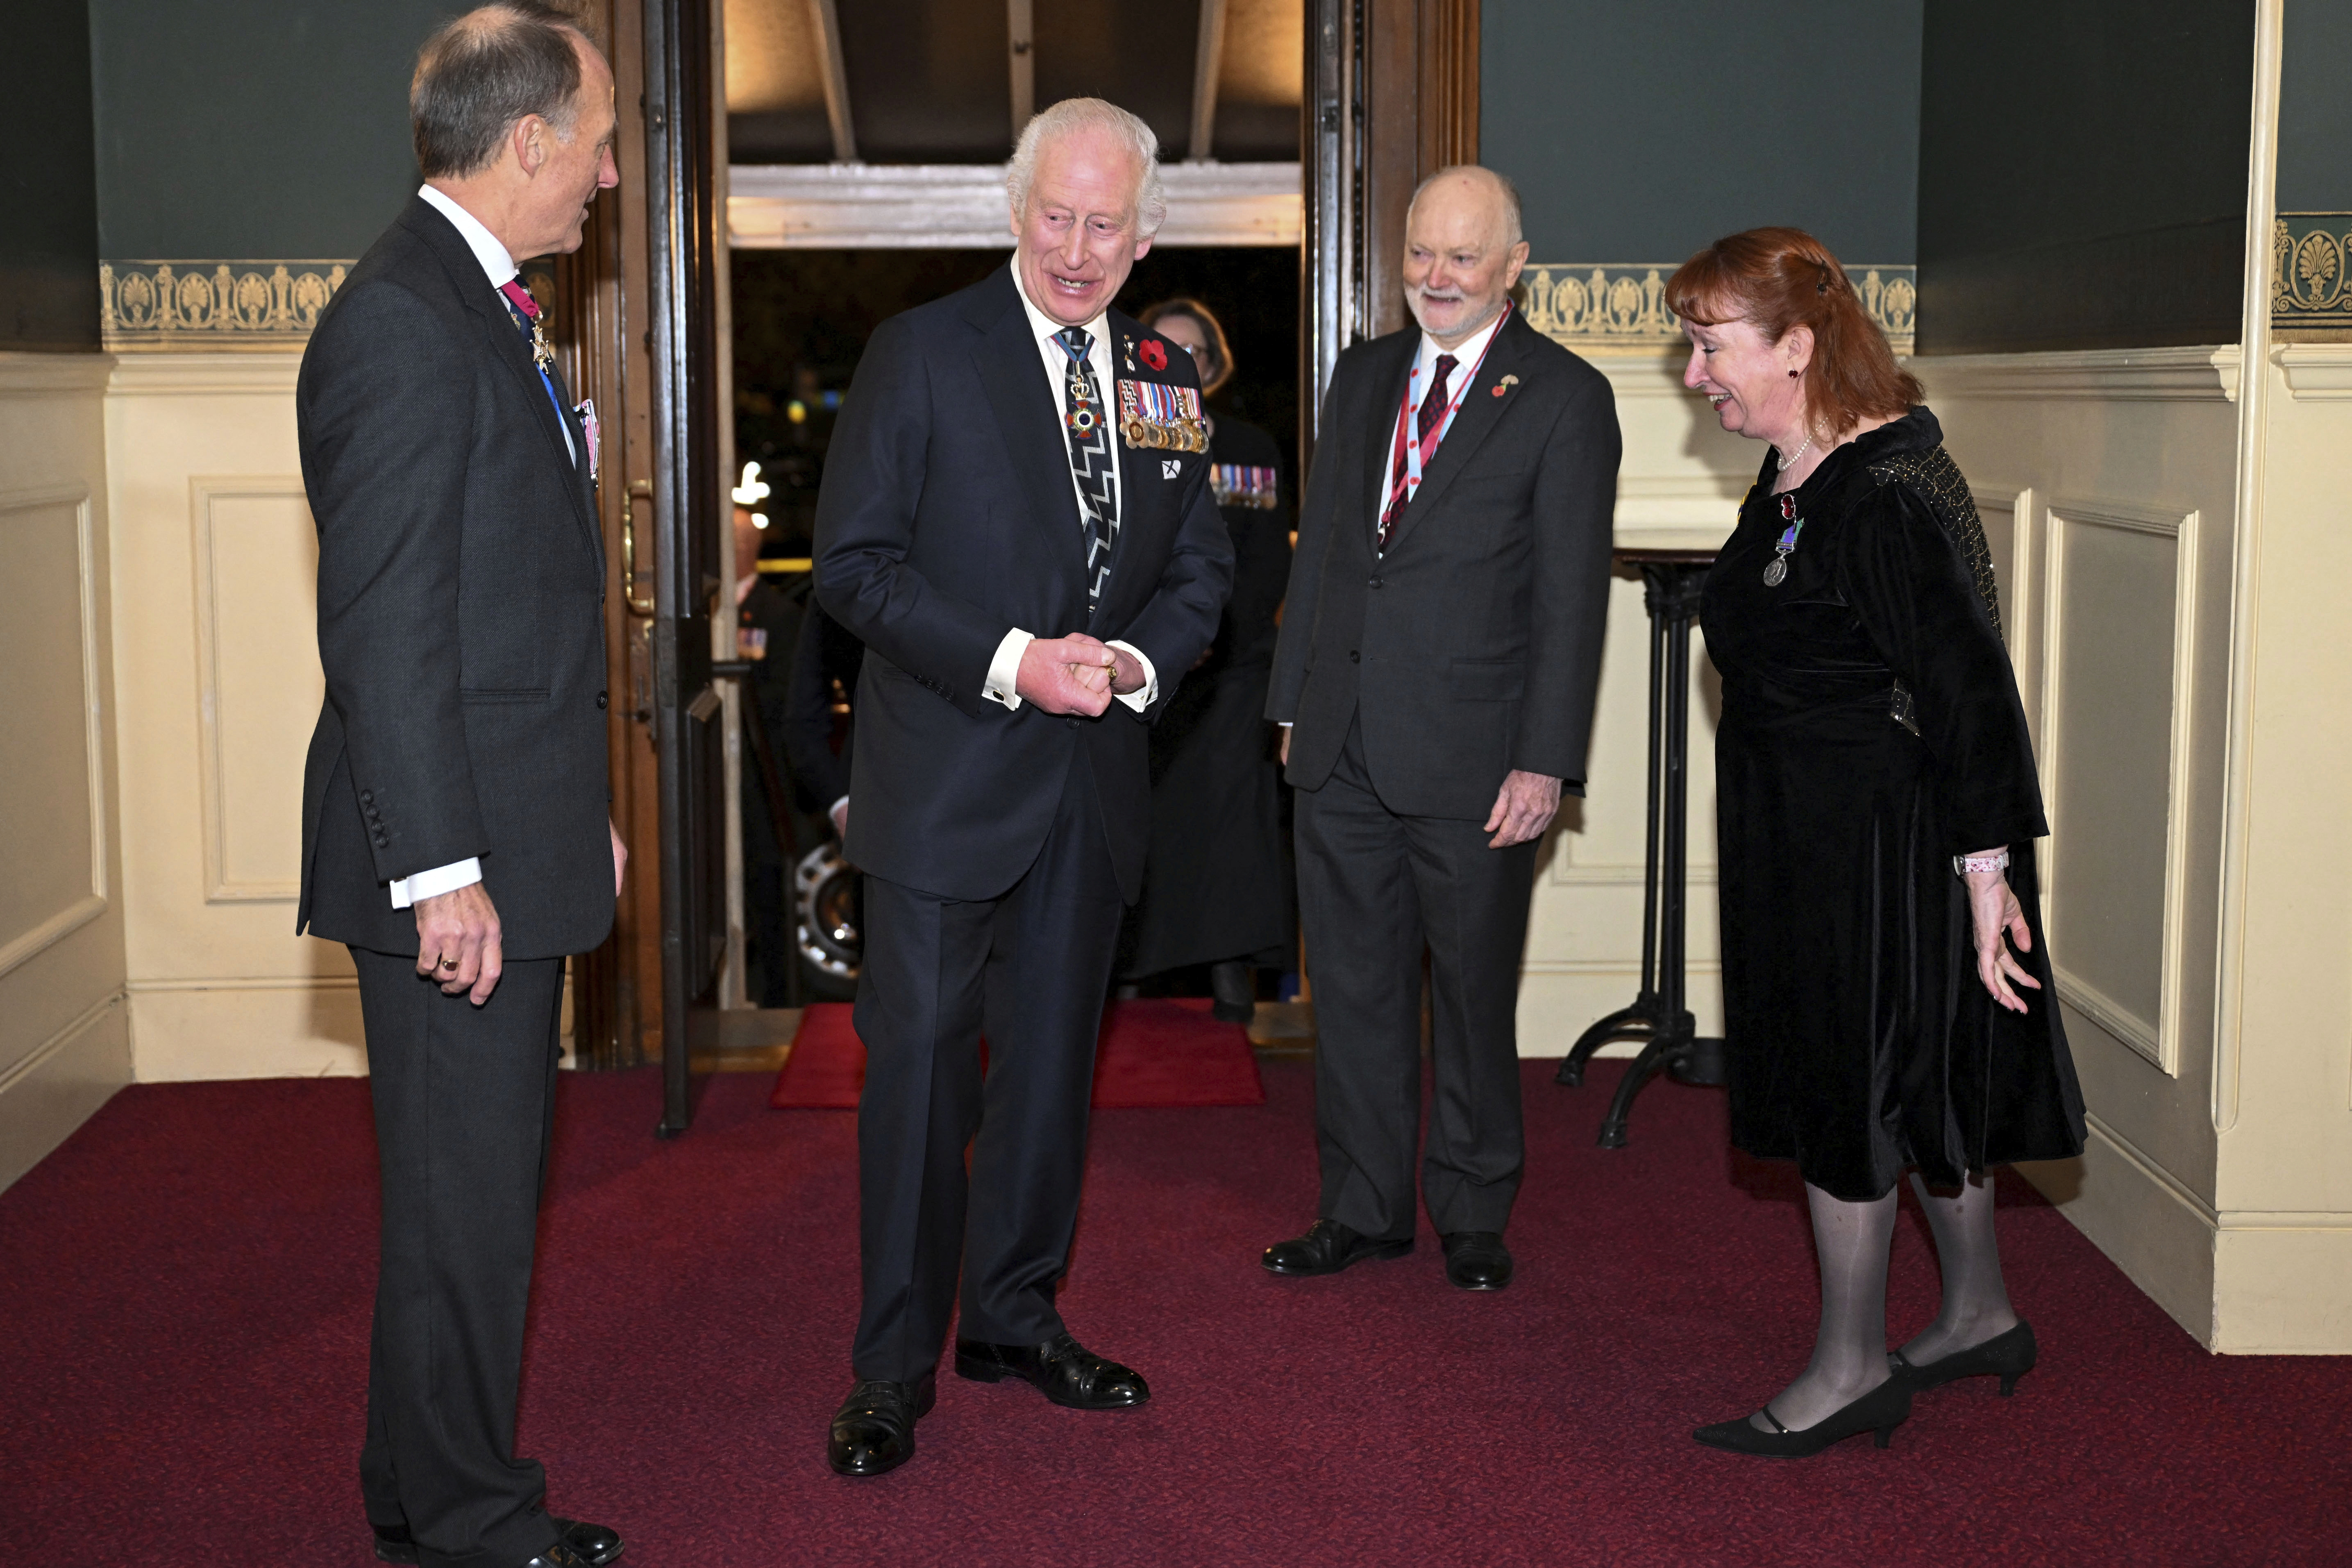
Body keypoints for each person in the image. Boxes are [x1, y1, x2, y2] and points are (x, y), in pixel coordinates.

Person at [810, 96, 1232, 1477]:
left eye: (1106, 224)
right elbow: (857, 569)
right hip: (943, 784)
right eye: (1056, 215)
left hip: (1094, 792)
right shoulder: (922, 354)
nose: (1077, 247)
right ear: (1013, 210)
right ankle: (889, 1368)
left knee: (1052, 1080)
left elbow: (1200, 574)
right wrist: (1012, 661)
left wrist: (1125, 659)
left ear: (1145, 232)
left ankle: (1010, 1315)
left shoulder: (1168, 376)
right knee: (922, 1087)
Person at [293, 5, 628, 1565]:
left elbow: (506, 604)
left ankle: (407, 1480)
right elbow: (386, 625)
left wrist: (576, 813)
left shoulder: (473, 301)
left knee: (457, 1199)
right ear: (530, 141)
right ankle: (475, 1520)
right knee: (468, 1212)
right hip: (447, 860)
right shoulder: (406, 319)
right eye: (603, 141)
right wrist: (442, 870)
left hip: (505, 821)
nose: (611, 178)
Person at [1671, 227, 2085, 1457]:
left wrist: (1984, 880)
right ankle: (1975, 1309)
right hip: (1798, 832)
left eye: (1710, 346)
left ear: (1796, 347)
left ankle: (1851, 1365)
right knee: (1915, 1075)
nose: (1696, 374)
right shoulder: (1796, 464)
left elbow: (1968, 695)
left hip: (1872, 850)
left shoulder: (1889, 490)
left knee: (1852, 1086)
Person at [1262, 166, 1620, 1293]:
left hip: (1475, 759)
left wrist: (1546, 758)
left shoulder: (1563, 397)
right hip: (1340, 747)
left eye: (1461, 258)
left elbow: (1570, 597)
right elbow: (1323, 551)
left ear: (1515, 267)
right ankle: (1361, 1207)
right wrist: (1288, 701)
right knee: (1356, 992)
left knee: (1469, 992)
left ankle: (1472, 1204)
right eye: (1420, 254)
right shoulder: (1363, 375)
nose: (1435, 278)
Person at [1124, 297, 1293, 1023]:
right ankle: (1125, 986)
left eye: (1192, 351)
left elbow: (1265, 569)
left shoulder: (1251, 450)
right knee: (1144, 839)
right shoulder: (1118, 446)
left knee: (1229, 841)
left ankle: (1232, 986)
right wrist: (1158, 648)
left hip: (1231, 675)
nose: (1178, 362)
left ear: (1214, 364)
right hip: (1140, 678)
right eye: (1163, 350)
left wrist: (1206, 643)